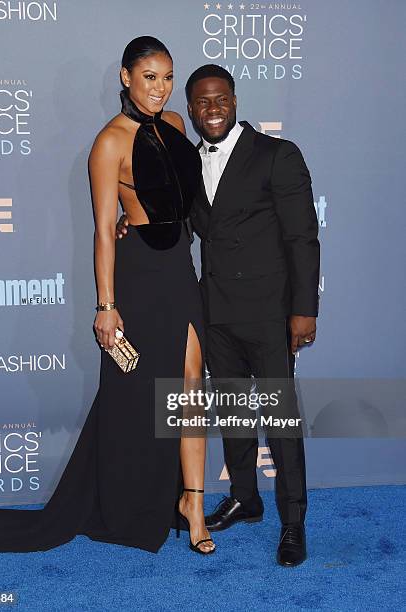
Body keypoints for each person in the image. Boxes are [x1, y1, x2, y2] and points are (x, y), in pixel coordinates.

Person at [0, 38, 215, 555]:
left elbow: (179, 193)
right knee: (136, 395)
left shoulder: (174, 124)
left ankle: (193, 499)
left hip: (178, 266)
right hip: (139, 274)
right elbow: (104, 230)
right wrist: (107, 307)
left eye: (168, 77)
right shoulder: (109, 142)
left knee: (192, 381)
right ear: (125, 77)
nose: (160, 88)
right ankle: (131, 504)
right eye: (150, 77)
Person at [117, 64, 320, 566]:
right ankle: (245, 497)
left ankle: (293, 522)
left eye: (220, 99)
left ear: (234, 100)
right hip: (216, 312)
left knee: (279, 418)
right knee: (232, 411)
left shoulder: (278, 155)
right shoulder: (187, 159)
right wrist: (131, 219)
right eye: (202, 102)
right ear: (190, 107)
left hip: (271, 313)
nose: (212, 109)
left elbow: (302, 237)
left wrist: (303, 312)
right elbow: (172, 212)